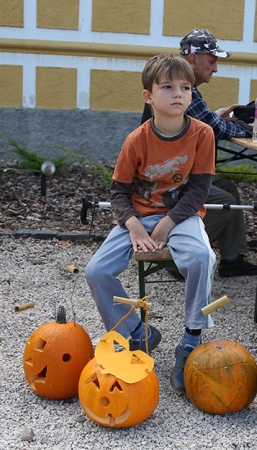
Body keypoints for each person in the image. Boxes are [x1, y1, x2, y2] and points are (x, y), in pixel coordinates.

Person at [85, 54, 216, 393]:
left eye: (185, 88)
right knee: (96, 270)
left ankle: (190, 338)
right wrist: (133, 226)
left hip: (182, 215)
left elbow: (199, 189)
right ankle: (136, 332)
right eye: (168, 87)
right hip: (138, 216)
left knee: (202, 258)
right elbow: (118, 192)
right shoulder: (137, 140)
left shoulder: (203, 134)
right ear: (148, 96)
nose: (178, 94)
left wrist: (168, 224)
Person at [141, 28, 257, 278]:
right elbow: (213, 129)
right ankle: (179, 254)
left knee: (228, 189)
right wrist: (251, 130)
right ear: (193, 59)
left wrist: (219, 118)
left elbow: (203, 123)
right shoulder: (181, 87)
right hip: (166, 176)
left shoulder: (177, 83)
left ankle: (232, 258)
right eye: (212, 61)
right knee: (227, 204)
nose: (215, 69)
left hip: (178, 169)